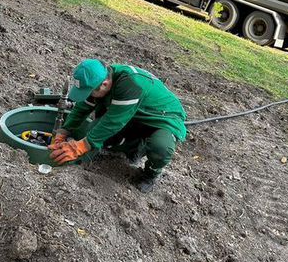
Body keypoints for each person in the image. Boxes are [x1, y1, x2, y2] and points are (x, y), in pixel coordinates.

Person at [49, 59, 187, 192]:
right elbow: (81, 109)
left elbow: (112, 122)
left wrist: (80, 147)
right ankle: (134, 148)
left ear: (104, 84)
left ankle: (150, 174)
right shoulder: (98, 78)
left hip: (160, 119)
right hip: (131, 115)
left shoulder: (130, 84)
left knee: (161, 147)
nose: (89, 95)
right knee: (93, 131)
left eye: (90, 92)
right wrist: (63, 132)